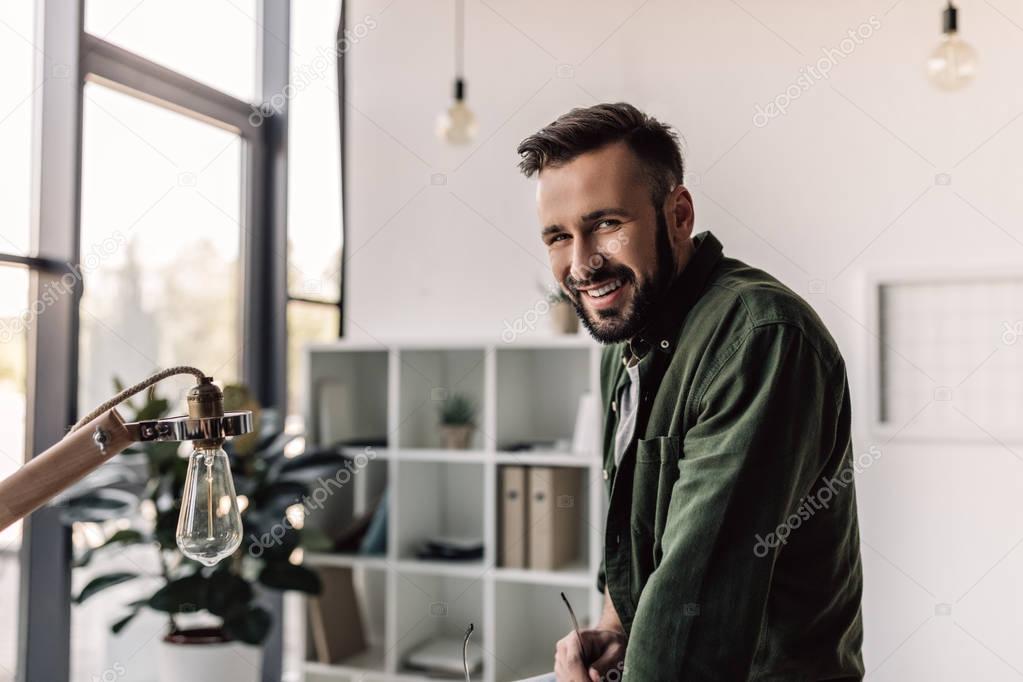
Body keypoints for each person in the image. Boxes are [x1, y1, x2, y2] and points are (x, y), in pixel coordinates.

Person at [516, 103, 865, 681]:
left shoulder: (759, 336)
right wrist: (613, 626)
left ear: (678, 214)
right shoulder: (625, 343)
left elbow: (695, 612)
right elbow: (634, 534)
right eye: (558, 235)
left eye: (605, 223)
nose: (582, 264)